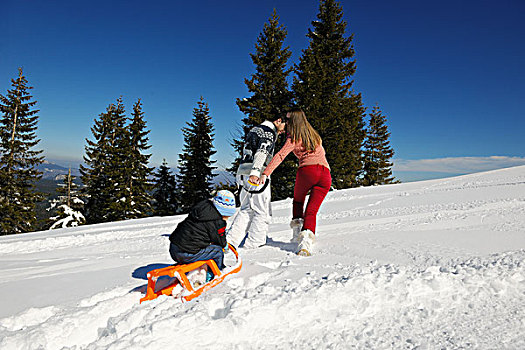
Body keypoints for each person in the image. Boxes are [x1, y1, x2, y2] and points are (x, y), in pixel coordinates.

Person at [258, 108, 331, 256]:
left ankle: (296, 235)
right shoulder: (315, 136)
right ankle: (306, 243)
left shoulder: (294, 138)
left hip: (307, 171)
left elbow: (280, 156)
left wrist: (265, 173)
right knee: (311, 211)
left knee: (298, 201)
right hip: (325, 175)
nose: (285, 123)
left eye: (288, 120)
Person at [227, 115, 287, 249]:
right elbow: (262, 151)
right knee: (261, 211)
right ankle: (255, 244)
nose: (284, 130)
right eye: (284, 125)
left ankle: (231, 241)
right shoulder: (268, 132)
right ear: (278, 121)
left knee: (246, 209)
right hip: (257, 175)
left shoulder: (255, 129)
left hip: (242, 173)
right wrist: (255, 172)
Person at [168, 190, 236, 285]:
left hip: (174, 249)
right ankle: (214, 274)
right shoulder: (217, 221)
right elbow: (219, 240)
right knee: (217, 251)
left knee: (204, 246)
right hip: (186, 254)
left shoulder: (203, 209)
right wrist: (225, 246)